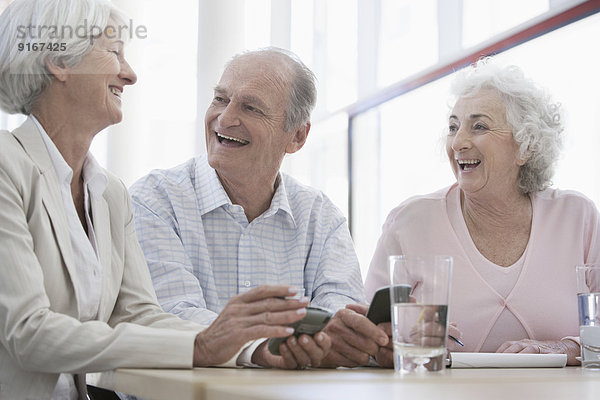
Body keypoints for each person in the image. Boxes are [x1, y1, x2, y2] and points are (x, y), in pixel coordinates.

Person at [0, 1, 327, 398]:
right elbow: (27, 332)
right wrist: (200, 345)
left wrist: (252, 348)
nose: (130, 73)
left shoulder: (109, 194)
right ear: (59, 61)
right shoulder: (6, 166)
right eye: (114, 52)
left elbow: (140, 316)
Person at [129, 48, 389, 368]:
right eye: (221, 99)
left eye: (250, 108)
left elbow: (340, 306)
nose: (224, 119)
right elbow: (170, 315)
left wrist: (348, 337)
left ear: (296, 136)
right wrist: (263, 348)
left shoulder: (320, 215)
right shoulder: (154, 200)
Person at [365, 57, 600, 367]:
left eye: (479, 126)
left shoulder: (577, 217)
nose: (458, 142)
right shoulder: (409, 223)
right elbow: (364, 336)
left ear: (525, 146)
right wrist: (391, 343)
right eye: (453, 127)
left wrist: (564, 348)